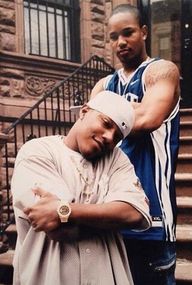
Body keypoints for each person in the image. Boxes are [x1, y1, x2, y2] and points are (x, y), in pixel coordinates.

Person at [11, 90, 152, 285]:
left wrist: (65, 209)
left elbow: (134, 213)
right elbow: (58, 229)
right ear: (84, 112)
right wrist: (109, 217)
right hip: (50, 276)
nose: (109, 137)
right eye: (106, 123)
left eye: (117, 137)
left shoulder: (117, 160)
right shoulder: (38, 151)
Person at [91, 4, 180, 285]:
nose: (121, 42)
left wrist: (99, 120)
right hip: (108, 216)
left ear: (144, 32)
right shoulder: (105, 84)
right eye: (114, 36)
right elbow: (84, 134)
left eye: (128, 33)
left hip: (151, 217)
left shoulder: (161, 71)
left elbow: (148, 117)